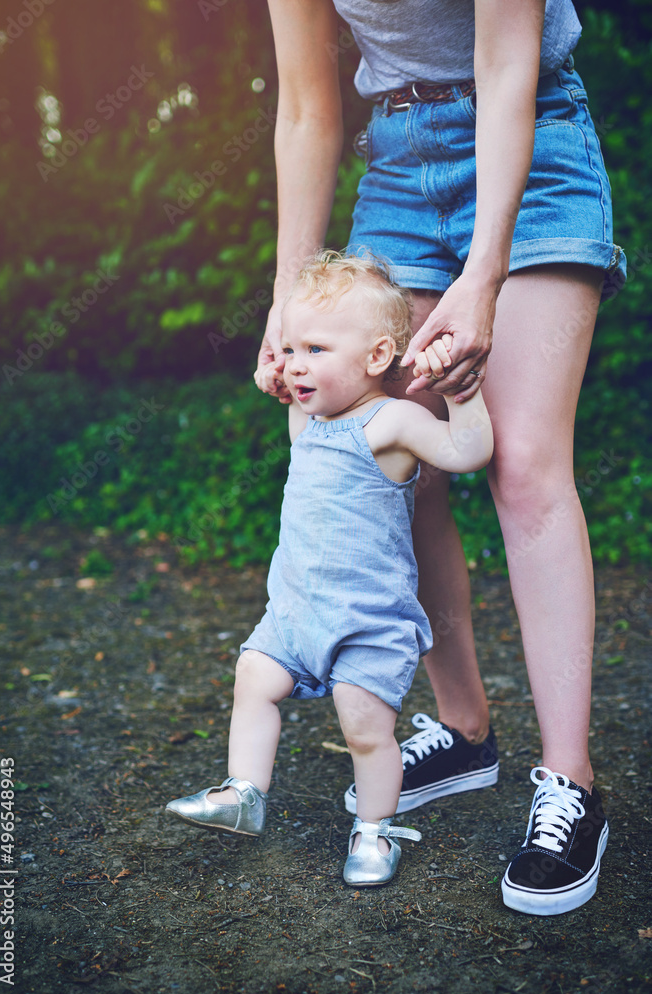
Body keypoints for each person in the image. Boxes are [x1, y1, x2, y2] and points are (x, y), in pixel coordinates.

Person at [254, 1, 623, 914]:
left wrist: (484, 273)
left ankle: (570, 783)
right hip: (397, 157)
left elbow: (508, 65)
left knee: (524, 462)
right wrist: (291, 305)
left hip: (529, 138)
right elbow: (304, 103)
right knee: (391, 465)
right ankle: (463, 729)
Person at [166, 252, 493, 886]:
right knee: (253, 677)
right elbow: (289, 387)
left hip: (367, 620)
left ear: (375, 358)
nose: (295, 363)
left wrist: (461, 395)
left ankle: (375, 831)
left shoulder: (391, 422)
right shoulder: (308, 417)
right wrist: (281, 375)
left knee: (364, 725)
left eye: (315, 347)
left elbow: (468, 452)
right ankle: (244, 793)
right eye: (290, 348)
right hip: (294, 611)